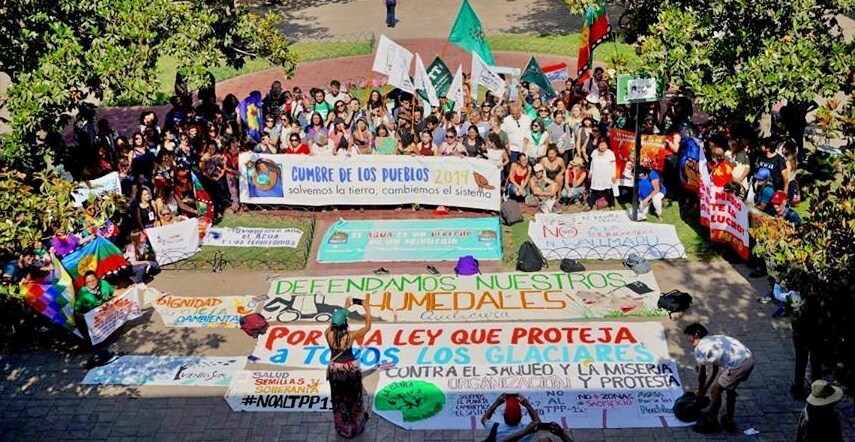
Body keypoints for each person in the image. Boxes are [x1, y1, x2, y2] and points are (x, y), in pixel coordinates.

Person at [683, 323, 755, 434]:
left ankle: (712, 421)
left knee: (715, 390)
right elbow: (714, 370)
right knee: (729, 388)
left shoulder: (701, 348)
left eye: (689, 336)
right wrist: (702, 391)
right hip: (748, 359)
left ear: (696, 335)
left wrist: (701, 393)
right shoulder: (714, 340)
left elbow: (702, 376)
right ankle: (728, 418)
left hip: (738, 366)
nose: (688, 339)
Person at [325, 296, 372, 438]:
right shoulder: (350, 336)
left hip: (335, 369)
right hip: (349, 369)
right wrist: (367, 309)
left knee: (339, 398)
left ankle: (342, 426)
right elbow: (367, 327)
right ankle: (355, 425)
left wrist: (345, 308)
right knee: (353, 397)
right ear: (345, 322)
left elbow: (336, 322)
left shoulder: (327, 333)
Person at [587, 138, 616, 210]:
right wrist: (590, 172)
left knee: (609, 190)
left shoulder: (610, 153)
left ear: (607, 145)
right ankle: (590, 205)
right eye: (601, 145)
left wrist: (613, 175)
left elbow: (613, 165)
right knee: (594, 190)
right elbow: (592, 163)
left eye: (604, 145)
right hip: (596, 175)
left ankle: (612, 204)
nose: (602, 147)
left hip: (607, 175)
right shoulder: (594, 152)